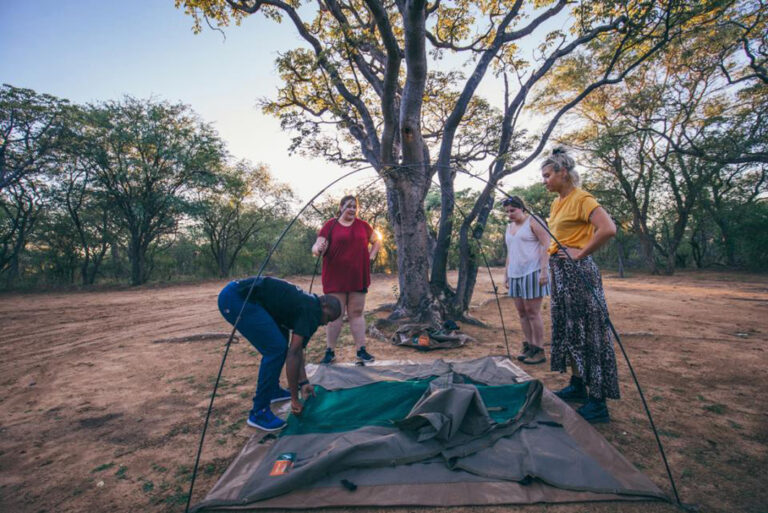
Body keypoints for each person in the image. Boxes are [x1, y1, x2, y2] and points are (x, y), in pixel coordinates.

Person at [541, 147, 619, 424]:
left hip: (578, 275)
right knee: (569, 330)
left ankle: (597, 402)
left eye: (548, 175)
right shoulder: (557, 202)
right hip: (561, 274)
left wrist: (580, 252)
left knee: (587, 332)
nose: (545, 180)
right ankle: (578, 384)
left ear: (563, 173)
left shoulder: (582, 198)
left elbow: (608, 228)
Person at [218, 276, 342, 431]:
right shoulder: (311, 310)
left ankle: (273, 391)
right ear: (323, 304)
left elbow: (298, 351)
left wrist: (303, 383)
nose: (325, 323)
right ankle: (259, 412)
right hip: (236, 298)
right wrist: (294, 400)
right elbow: (293, 354)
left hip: (253, 301)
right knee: (276, 350)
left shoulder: (311, 306)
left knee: (280, 345)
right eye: (328, 318)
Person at [312, 195, 381, 364]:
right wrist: (318, 249)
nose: (352, 209)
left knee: (356, 313)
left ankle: (361, 350)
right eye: (348, 206)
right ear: (341, 207)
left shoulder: (363, 226)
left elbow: (376, 241)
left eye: (354, 206)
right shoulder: (331, 225)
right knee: (335, 315)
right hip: (335, 277)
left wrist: (371, 256)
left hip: (358, 276)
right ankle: (330, 352)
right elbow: (317, 246)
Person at [502, 195, 551, 365]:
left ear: (521, 208)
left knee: (532, 312)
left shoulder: (533, 221)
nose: (510, 214)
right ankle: (529, 346)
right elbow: (510, 252)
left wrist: (544, 270)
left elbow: (547, 244)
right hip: (515, 273)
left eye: (513, 210)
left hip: (533, 271)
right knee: (521, 312)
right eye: (507, 211)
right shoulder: (509, 228)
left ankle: (539, 349)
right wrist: (506, 273)